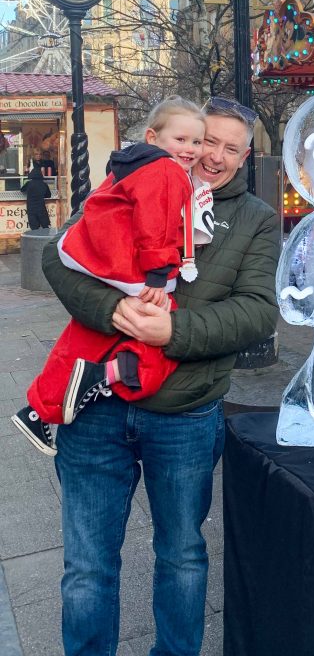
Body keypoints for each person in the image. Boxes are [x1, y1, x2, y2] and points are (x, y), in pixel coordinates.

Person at [40, 96, 280, 656]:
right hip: (95, 409)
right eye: (204, 140)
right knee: (87, 566)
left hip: (184, 412)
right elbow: (58, 255)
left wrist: (175, 331)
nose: (212, 156)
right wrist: (115, 309)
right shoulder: (137, 179)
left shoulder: (255, 218)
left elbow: (255, 314)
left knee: (182, 557)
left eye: (228, 147)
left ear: (245, 156)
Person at [11, 97, 210, 455]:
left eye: (197, 141)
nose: (191, 149)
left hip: (98, 253)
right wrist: (156, 274)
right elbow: (158, 227)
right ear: (153, 136)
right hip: (126, 264)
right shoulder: (167, 172)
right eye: (181, 139)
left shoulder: (132, 165)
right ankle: (106, 377)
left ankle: (40, 408)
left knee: (85, 338)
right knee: (163, 330)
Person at [21, 161, 51, 230]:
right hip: (41, 208)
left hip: (31, 209)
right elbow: (48, 195)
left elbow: (22, 190)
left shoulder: (29, 183)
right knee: (45, 227)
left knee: (34, 228)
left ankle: (35, 240)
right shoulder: (44, 184)